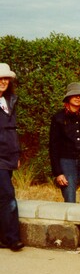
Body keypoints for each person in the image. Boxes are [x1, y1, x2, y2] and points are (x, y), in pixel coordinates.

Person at [49, 82, 80, 204]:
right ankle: (70, 223)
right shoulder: (58, 118)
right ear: (68, 97)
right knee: (69, 197)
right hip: (67, 162)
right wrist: (58, 172)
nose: (78, 98)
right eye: (74, 95)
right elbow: (53, 146)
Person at [0, 63, 23, 251]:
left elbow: (12, 132)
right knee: (8, 196)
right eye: (0, 78)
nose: (3, 82)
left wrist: (17, 154)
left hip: (9, 156)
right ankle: (12, 238)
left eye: (6, 78)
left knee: (3, 197)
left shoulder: (10, 101)